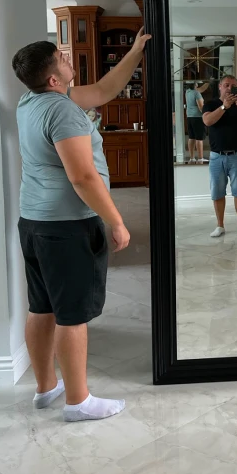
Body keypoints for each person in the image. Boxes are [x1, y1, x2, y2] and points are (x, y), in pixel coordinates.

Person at [12, 28, 150, 422]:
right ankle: (79, 401)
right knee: (72, 314)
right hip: (67, 226)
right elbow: (83, 178)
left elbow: (106, 88)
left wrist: (137, 49)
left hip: (35, 223)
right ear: (54, 78)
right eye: (62, 57)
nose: (69, 58)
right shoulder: (62, 111)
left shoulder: (32, 100)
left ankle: (45, 389)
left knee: (42, 308)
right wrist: (117, 221)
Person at [202, 74, 237, 238]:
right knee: (217, 192)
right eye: (226, 85)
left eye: (233, 85)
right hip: (216, 157)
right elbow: (208, 121)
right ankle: (220, 226)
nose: (229, 88)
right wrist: (224, 107)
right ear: (220, 86)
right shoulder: (211, 104)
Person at [185, 80, 209, 163]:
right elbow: (201, 107)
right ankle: (200, 158)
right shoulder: (197, 93)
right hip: (198, 117)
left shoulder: (188, 92)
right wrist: (207, 114)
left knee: (191, 137)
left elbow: (201, 89)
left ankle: (192, 158)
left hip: (189, 117)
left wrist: (208, 82)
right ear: (195, 85)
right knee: (199, 138)